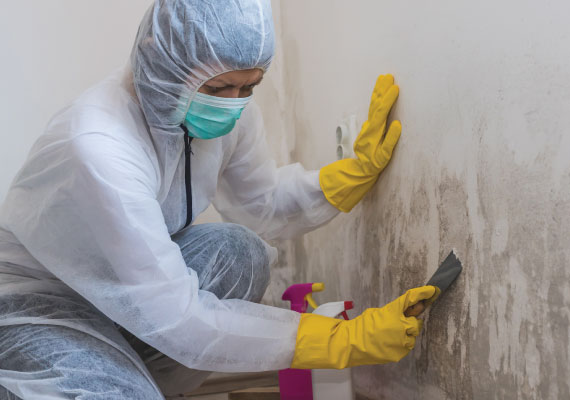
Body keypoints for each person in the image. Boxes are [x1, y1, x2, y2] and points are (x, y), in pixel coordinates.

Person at [0, 0, 437, 398]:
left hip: (127, 298)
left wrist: (347, 177)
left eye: (249, 87)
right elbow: (179, 318)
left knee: (240, 252)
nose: (233, 104)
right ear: (160, 56)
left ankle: (134, 385)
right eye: (218, 89)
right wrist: (341, 339)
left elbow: (261, 202)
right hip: (43, 304)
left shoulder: (224, 113)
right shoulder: (99, 144)